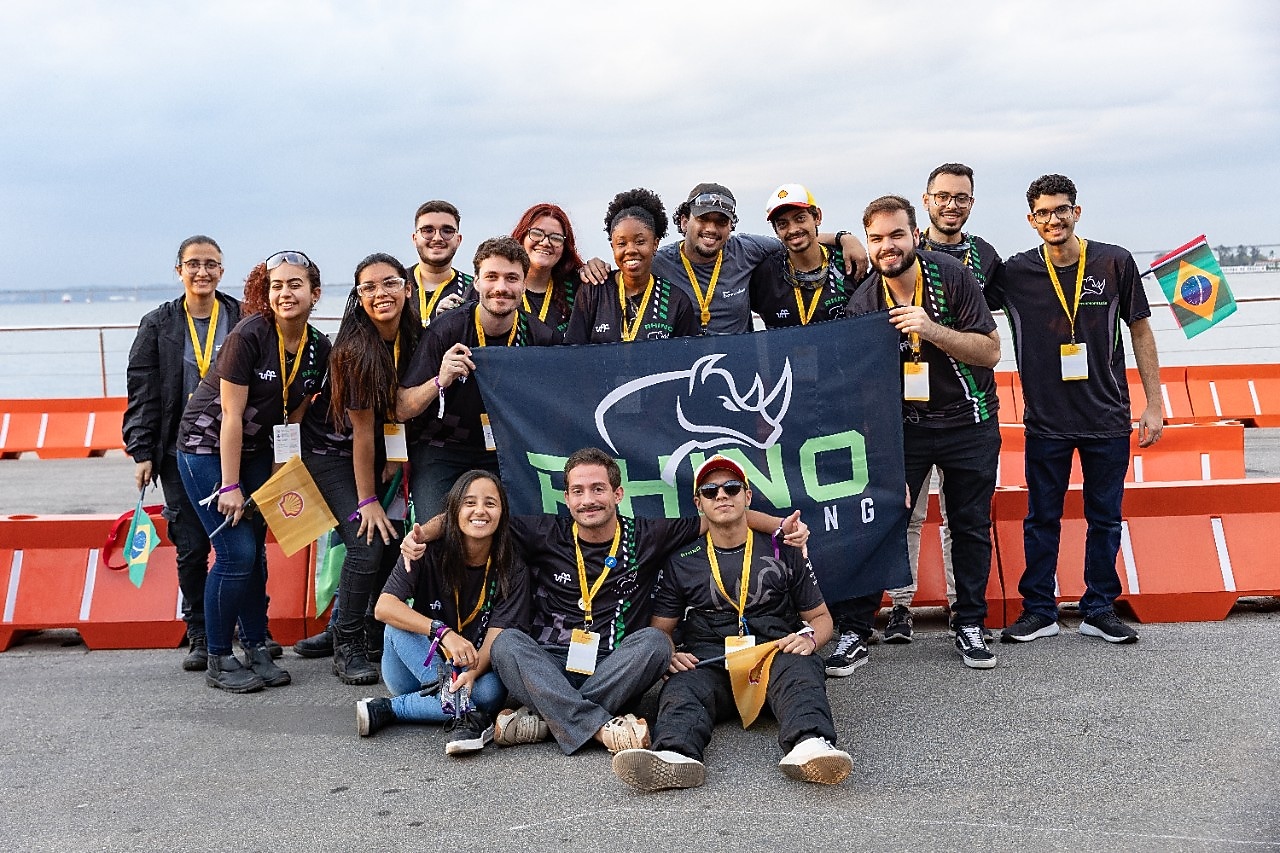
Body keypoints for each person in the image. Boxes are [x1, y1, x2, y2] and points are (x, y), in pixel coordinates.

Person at [403, 447, 808, 757]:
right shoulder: (545, 531)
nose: (588, 500)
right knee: (507, 643)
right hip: (549, 663)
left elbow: (723, 517)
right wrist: (422, 534)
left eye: (598, 489)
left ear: (617, 493)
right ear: (566, 498)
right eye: (578, 491)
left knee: (654, 641)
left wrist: (781, 527)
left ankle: (549, 720)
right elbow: (475, 517)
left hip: (615, 668)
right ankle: (598, 727)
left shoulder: (647, 534)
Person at [987, 174, 1163, 645]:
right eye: (1042, 212)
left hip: (1107, 416)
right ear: (1030, 220)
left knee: (1105, 518)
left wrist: (1154, 403)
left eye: (1061, 209)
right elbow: (967, 295)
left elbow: (1141, 331)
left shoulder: (1113, 261)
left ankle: (1099, 608)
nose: (1053, 219)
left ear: (1076, 212)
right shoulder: (1015, 272)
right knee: (1041, 518)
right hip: (1046, 421)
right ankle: (1039, 610)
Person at [612, 456, 852, 790]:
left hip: (773, 656)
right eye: (710, 491)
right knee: (681, 687)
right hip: (712, 661)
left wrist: (811, 640)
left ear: (747, 496)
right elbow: (661, 630)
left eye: (732, 487)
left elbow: (821, 618)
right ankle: (675, 755)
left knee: (802, 667)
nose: (722, 495)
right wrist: (670, 653)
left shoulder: (784, 549)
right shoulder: (681, 560)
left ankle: (811, 747)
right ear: (699, 503)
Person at [843, 195, 1002, 670]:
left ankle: (969, 621)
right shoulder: (864, 303)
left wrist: (930, 329)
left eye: (896, 235)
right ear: (868, 245)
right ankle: (854, 630)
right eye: (877, 239)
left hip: (969, 422)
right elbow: (862, 384)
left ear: (915, 235)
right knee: (881, 523)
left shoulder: (952, 276)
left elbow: (990, 351)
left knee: (970, 525)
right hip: (906, 430)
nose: (888, 246)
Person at [176, 250, 330, 692]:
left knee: (257, 550)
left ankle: (257, 644)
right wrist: (229, 486)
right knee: (235, 553)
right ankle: (220, 657)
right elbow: (229, 417)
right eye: (277, 285)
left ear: (314, 293)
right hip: (208, 448)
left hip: (262, 449)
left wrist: (282, 474)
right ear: (267, 293)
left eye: (295, 284)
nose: (285, 293)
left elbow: (296, 415)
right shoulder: (249, 335)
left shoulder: (319, 346)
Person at [885, 163, 1006, 643]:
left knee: (966, 521)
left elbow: (1001, 327)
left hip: (968, 409)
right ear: (927, 201)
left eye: (962, 198)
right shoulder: (898, 252)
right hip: (910, 415)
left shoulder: (985, 257)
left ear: (971, 204)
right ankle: (899, 606)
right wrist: (846, 234)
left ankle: (965, 612)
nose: (952, 205)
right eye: (943, 196)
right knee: (904, 516)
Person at [124, 236, 243, 672]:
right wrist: (141, 450)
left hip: (238, 449)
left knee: (244, 546)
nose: (203, 272)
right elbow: (142, 390)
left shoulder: (242, 317)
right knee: (192, 547)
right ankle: (199, 633)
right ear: (179, 271)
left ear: (222, 271)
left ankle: (252, 632)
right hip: (180, 455)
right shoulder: (158, 324)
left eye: (211, 264)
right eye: (193, 264)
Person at [300, 253, 420, 684]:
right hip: (331, 453)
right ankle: (345, 642)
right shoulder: (353, 351)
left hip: (374, 453)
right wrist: (367, 499)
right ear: (359, 297)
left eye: (389, 283)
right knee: (367, 540)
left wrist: (391, 462)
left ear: (407, 287)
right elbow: (363, 432)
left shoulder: (413, 334)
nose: (380, 294)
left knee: (392, 543)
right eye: (368, 288)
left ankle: (371, 631)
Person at [357, 470, 529, 755]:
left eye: (490, 503)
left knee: (489, 692)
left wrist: (472, 675)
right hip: (415, 667)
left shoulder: (512, 565)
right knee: (397, 624)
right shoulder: (424, 549)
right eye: (469, 502)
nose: (480, 511)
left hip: (470, 667)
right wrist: (442, 633)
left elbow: (497, 635)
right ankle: (465, 711)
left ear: (502, 513)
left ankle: (390, 709)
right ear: (454, 511)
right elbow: (383, 607)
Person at [397, 237, 557, 521]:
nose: (501, 288)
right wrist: (439, 380)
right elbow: (402, 407)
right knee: (437, 532)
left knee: (523, 528)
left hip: (507, 451)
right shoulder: (446, 330)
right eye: (491, 277)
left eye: (511, 278)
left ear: (523, 284)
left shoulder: (540, 337)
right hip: (443, 448)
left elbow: (558, 407)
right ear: (477, 283)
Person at [653, 182, 869, 335]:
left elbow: (795, 241)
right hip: (684, 375)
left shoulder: (748, 250)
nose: (711, 228)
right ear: (683, 222)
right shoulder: (659, 263)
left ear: (731, 227)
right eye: (703, 219)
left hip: (738, 379)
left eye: (721, 221)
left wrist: (843, 238)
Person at [564, 188, 700, 344]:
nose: (630, 250)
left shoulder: (676, 301)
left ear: (655, 244)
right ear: (612, 247)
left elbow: (688, 358)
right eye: (621, 243)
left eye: (640, 242)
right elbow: (573, 355)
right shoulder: (593, 292)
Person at [749, 185, 858, 328]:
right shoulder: (765, 274)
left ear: (817, 217)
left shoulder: (846, 262)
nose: (793, 229)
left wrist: (845, 238)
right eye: (783, 224)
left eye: (800, 218)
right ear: (775, 230)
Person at [510, 203, 586, 338]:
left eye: (556, 238)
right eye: (536, 233)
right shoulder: (497, 288)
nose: (545, 242)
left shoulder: (578, 290)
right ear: (521, 237)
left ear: (565, 248)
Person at [408, 200, 472, 325]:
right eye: (428, 230)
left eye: (447, 231)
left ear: (458, 240)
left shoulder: (474, 290)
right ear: (415, 239)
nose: (437, 238)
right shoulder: (394, 286)